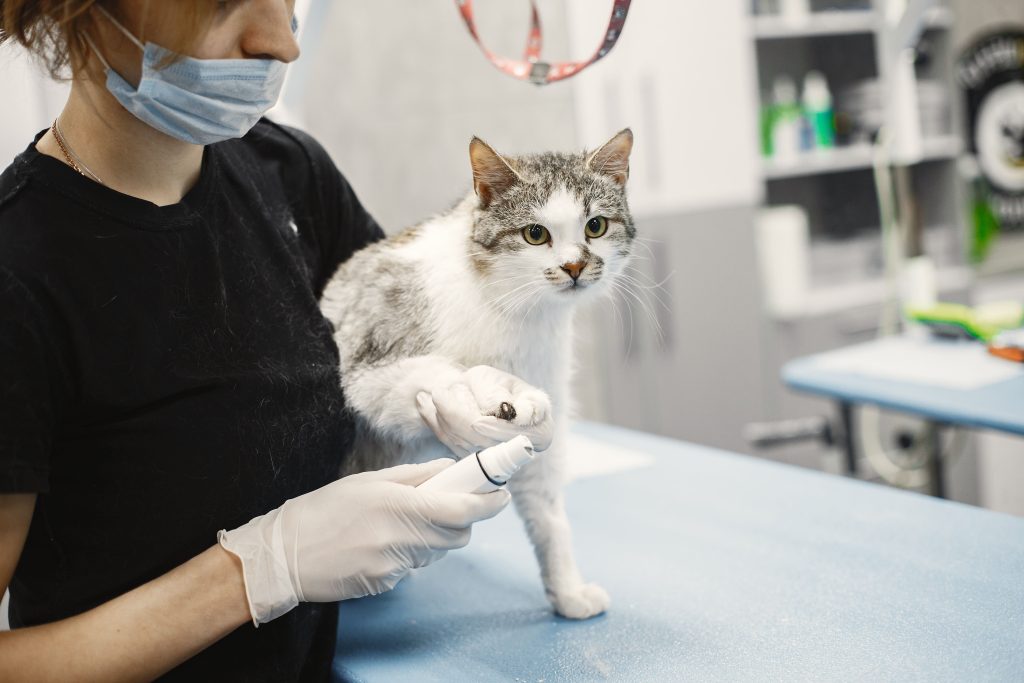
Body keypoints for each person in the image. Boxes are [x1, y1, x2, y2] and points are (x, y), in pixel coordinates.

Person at [0, 1, 546, 680]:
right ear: (85, 12)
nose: (281, 43)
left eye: (286, 0)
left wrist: (445, 389)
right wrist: (253, 571)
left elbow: (392, 355)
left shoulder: (288, 174)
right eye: (226, 2)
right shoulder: (19, 275)